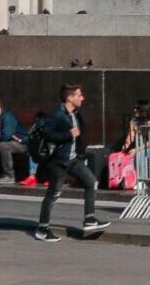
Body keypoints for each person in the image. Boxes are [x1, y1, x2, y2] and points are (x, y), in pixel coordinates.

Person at [29, 83, 106, 242]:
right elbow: (47, 134)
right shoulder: (57, 114)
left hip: (72, 159)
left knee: (91, 181)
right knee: (53, 194)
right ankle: (42, 228)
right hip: (58, 162)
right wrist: (67, 135)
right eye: (79, 95)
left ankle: (90, 219)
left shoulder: (75, 114)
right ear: (70, 98)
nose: (82, 98)